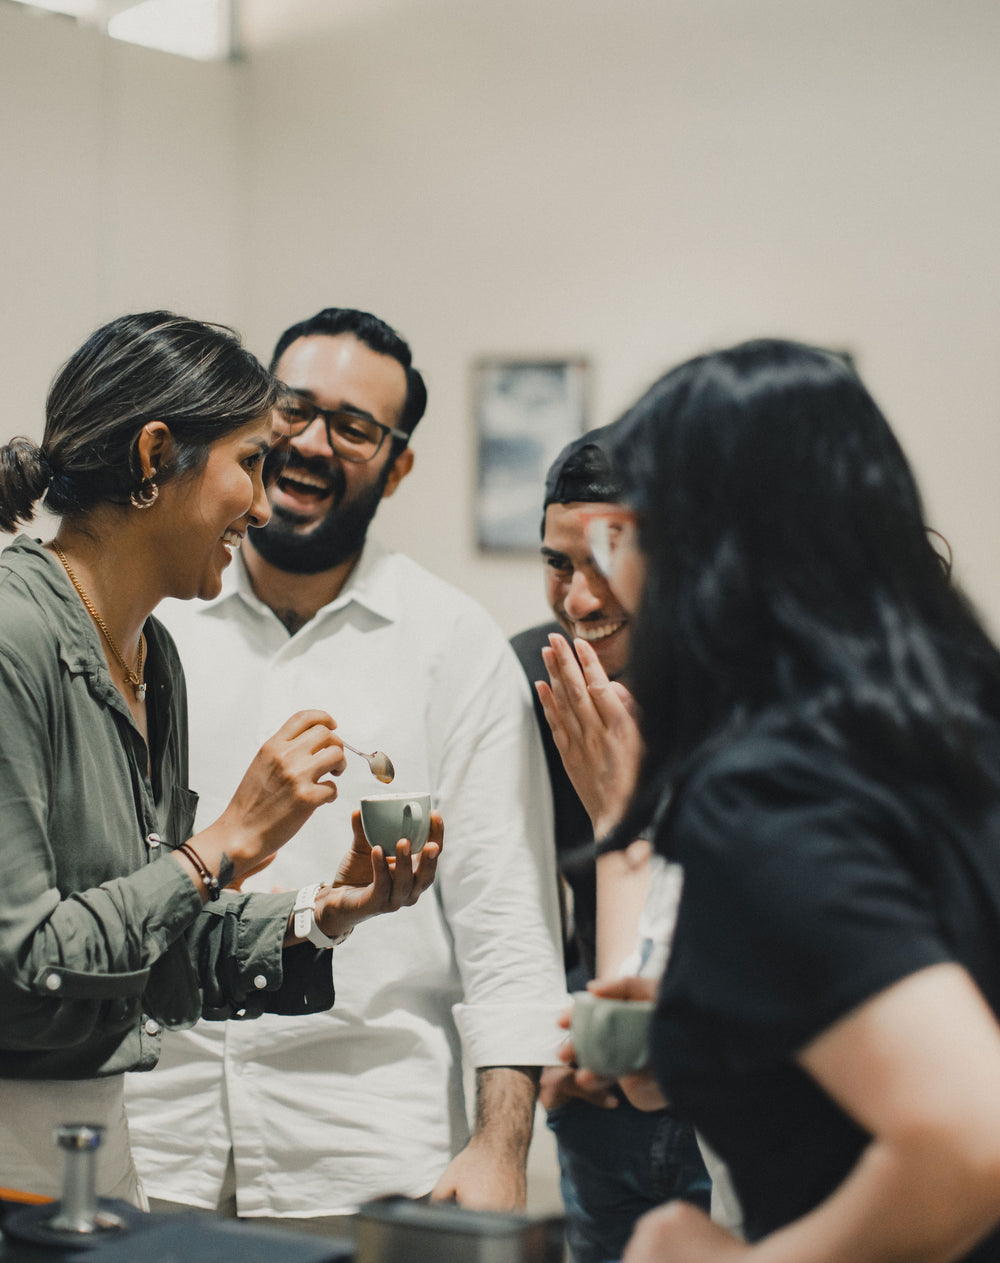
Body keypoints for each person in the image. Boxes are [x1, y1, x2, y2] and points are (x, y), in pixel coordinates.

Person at [125, 306, 567, 1230]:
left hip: (365, 1144)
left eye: (355, 427)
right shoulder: (157, 612)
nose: (311, 441)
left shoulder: (455, 646)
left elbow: (508, 924)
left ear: (398, 465)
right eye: (292, 406)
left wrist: (500, 1143)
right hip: (149, 1127)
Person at [0, 312, 441, 1204]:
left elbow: (146, 950)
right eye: (249, 463)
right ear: (156, 456)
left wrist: (324, 915)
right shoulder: (14, 637)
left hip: (99, 1139)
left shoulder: (154, 659)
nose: (265, 503)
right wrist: (226, 842)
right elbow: (27, 966)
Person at [576, 339, 1000, 1261]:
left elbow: (972, 1133)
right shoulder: (953, 731)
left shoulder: (764, 789)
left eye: (625, 535)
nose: (615, 575)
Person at [511, 431, 710, 1263]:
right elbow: (509, 897)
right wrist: (549, 1040)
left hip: (733, 1104)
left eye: (611, 559)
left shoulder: (752, 688)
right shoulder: (528, 676)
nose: (581, 598)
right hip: (602, 1105)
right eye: (560, 563)